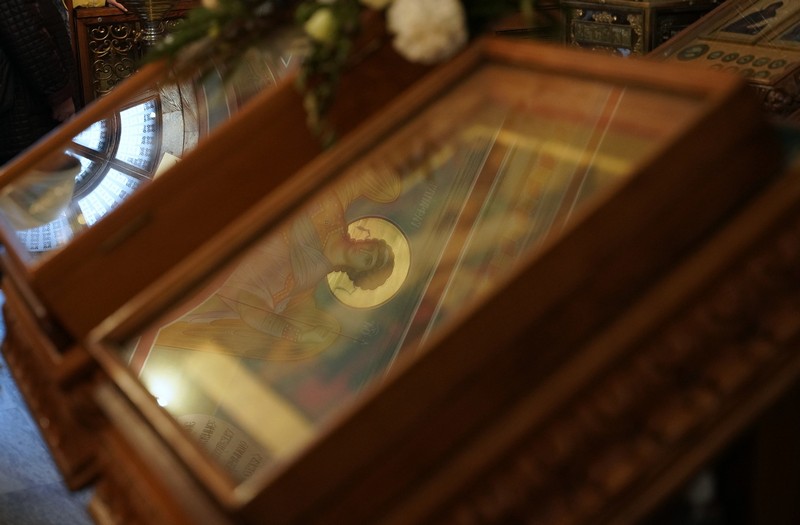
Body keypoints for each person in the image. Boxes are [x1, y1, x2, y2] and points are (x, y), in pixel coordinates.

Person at [152, 165, 404, 360]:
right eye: (374, 246)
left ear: (356, 272)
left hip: (190, 249)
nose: (367, 248)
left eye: (369, 260)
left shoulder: (304, 274)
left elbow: (249, 302)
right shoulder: (337, 209)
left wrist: (296, 334)